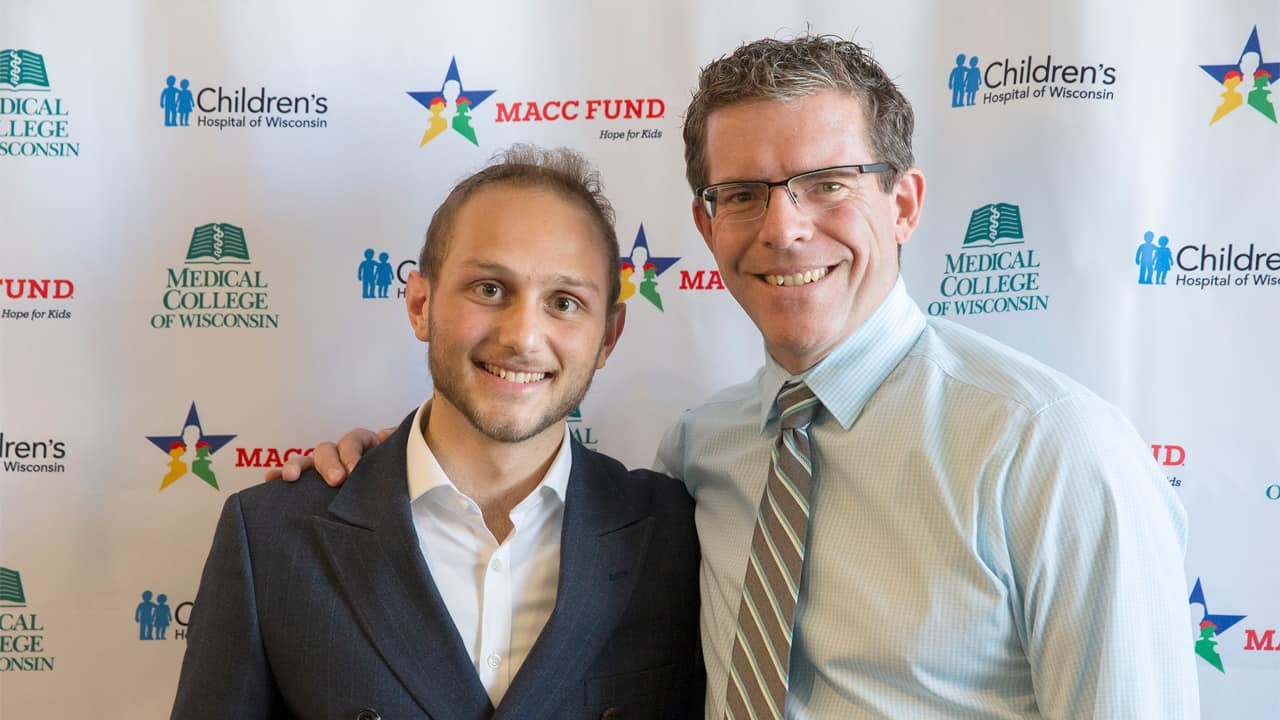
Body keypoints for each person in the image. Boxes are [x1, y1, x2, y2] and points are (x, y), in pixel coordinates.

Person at [282, 35, 1197, 718]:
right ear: (707, 220)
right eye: (744, 194)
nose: (784, 227)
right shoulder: (701, 454)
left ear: (905, 202)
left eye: (827, 182)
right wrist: (379, 477)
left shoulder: (1053, 452)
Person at [173, 146, 702, 719]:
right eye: (489, 289)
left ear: (607, 337)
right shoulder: (271, 539)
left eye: (564, 302)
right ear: (421, 303)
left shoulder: (679, 535)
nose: (523, 336)